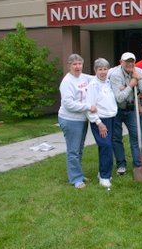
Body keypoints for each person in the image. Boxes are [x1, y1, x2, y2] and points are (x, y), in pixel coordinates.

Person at [109, 52, 142, 175]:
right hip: (116, 109)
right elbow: (119, 98)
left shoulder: (139, 72)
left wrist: (139, 79)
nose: (130, 64)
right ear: (121, 62)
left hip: (131, 108)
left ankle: (138, 164)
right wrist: (130, 85)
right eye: (127, 61)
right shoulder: (116, 75)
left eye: (132, 61)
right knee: (116, 137)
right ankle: (121, 165)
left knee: (136, 136)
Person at [58, 54, 95, 189]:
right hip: (70, 120)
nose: (77, 66)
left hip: (82, 119)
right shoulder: (67, 82)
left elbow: (99, 76)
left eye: (79, 63)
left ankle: (78, 174)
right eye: (74, 64)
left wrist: (118, 68)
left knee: (79, 149)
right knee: (73, 150)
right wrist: (87, 107)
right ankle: (76, 179)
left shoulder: (84, 77)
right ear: (69, 66)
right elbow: (68, 104)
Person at [85, 58, 117, 188]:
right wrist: (99, 123)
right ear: (95, 70)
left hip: (111, 118)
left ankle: (103, 172)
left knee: (107, 147)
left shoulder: (108, 82)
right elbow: (89, 107)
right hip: (100, 121)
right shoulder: (93, 85)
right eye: (100, 69)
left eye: (105, 69)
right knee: (106, 146)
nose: (103, 72)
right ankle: (104, 177)